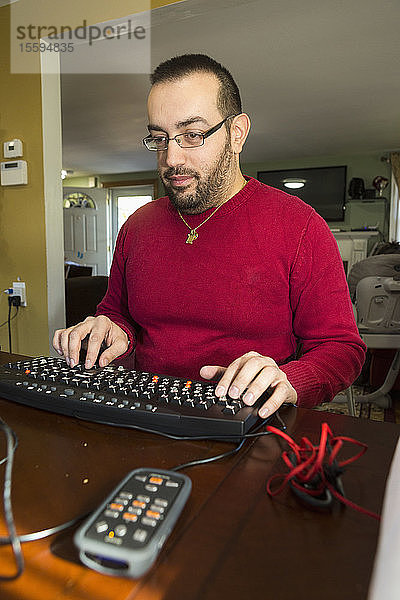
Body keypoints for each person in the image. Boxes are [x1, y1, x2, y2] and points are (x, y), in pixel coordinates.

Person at [53, 53, 366, 419]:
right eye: (159, 138)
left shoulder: (300, 226)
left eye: (192, 135)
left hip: (251, 428)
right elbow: (117, 314)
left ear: (236, 133)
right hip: (143, 416)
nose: (171, 158)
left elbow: (341, 348)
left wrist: (288, 379)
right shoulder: (137, 227)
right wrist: (109, 330)